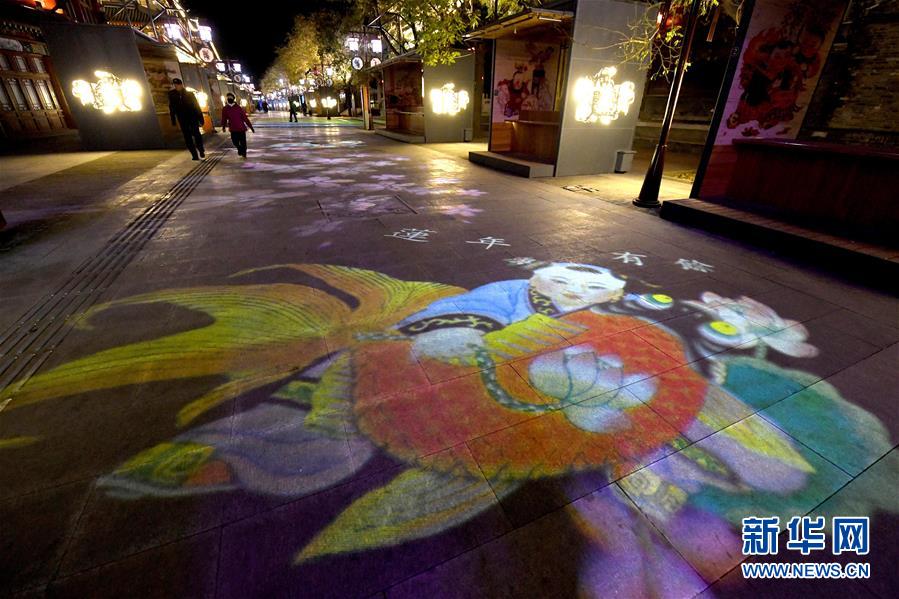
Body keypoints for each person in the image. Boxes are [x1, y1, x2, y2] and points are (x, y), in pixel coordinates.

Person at [168, 78, 205, 160]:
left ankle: (201, 149)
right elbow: (171, 108)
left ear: (181, 85)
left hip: (192, 118)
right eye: (175, 85)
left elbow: (196, 106)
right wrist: (173, 120)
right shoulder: (172, 94)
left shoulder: (190, 94)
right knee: (187, 137)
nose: (176, 86)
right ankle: (194, 155)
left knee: (197, 134)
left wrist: (200, 118)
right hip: (182, 119)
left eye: (177, 85)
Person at [221, 92, 255, 158]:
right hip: (233, 129)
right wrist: (223, 127)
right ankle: (239, 148)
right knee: (235, 142)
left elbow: (245, 118)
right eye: (228, 98)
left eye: (231, 97)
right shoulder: (225, 109)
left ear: (233, 98)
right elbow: (224, 118)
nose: (229, 98)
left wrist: (251, 127)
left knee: (243, 142)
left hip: (241, 128)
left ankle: (244, 153)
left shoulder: (238, 108)